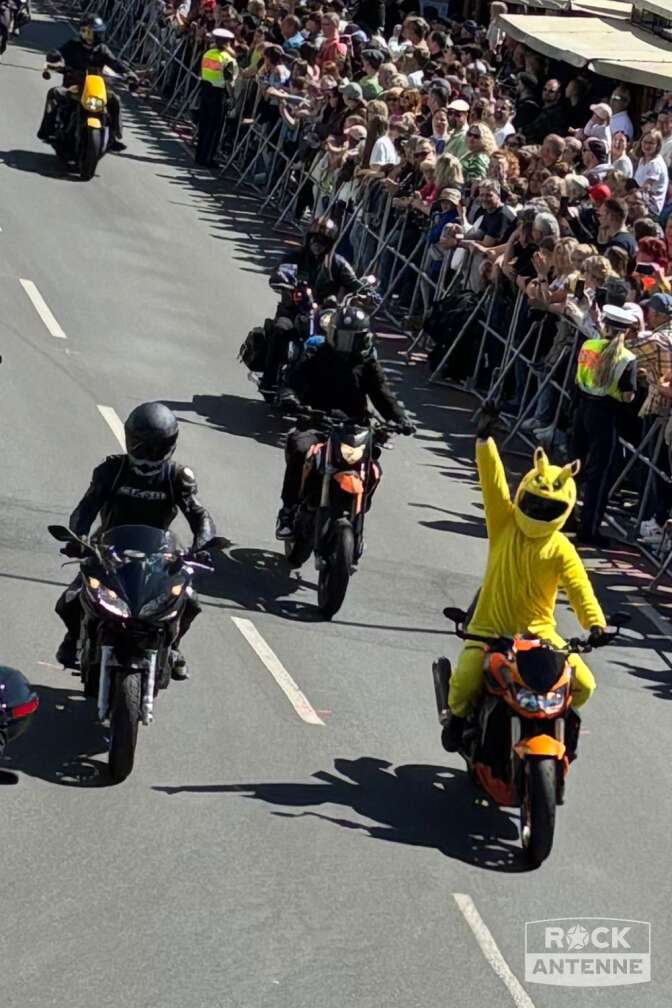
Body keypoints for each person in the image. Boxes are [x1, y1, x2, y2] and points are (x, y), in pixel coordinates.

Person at [442, 402, 607, 751]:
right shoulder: (504, 522)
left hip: (540, 637)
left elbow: (580, 589)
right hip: (489, 629)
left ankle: (560, 729)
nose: (539, 510)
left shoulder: (562, 547)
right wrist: (485, 442)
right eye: (535, 503)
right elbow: (493, 482)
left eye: (549, 508)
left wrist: (596, 625)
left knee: (586, 685)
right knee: (466, 679)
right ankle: (457, 723)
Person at [54, 403, 215, 679]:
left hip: (159, 558)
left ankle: (173, 646)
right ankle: (74, 637)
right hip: (108, 552)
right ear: (129, 441)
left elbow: (200, 516)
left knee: (191, 601)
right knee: (69, 600)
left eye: (156, 448)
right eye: (142, 447)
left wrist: (200, 547)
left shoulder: (177, 478)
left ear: (170, 446)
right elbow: (86, 508)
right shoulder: (112, 470)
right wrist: (78, 538)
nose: (148, 456)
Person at [275, 306, 415, 537]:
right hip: (317, 420)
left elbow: (382, 394)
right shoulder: (317, 354)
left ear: (363, 339)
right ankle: (288, 510)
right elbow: (294, 378)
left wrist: (400, 419)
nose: (345, 343)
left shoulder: (367, 363)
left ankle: (357, 512)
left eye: (351, 338)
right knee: (300, 449)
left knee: (372, 467)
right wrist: (289, 396)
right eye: (341, 336)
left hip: (355, 426)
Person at [261, 217, 361, 395]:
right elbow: (280, 272)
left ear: (330, 244)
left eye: (323, 241)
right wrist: (282, 279)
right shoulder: (295, 257)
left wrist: (367, 293)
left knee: (345, 342)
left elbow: (355, 284)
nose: (318, 244)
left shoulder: (337, 263)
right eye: (315, 239)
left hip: (324, 315)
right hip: (293, 310)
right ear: (308, 239)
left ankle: (342, 393)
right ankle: (268, 380)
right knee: (280, 330)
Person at [571, 304, 638, 545]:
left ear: (605, 325)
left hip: (582, 408)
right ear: (627, 332)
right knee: (598, 474)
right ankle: (589, 528)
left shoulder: (588, 346)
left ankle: (565, 513)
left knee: (575, 464)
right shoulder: (627, 358)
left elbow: (577, 377)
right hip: (606, 414)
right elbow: (628, 395)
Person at [37, 14, 134, 151]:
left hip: (95, 89)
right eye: (88, 32)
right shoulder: (72, 45)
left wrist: (129, 74)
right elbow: (59, 52)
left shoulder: (102, 49)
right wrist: (54, 56)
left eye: (94, 33)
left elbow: (115, 63)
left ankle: (114, 137)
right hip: (74, 88)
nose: (91, 36)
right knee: (54, 92)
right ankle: (47, 131)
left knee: (115, 99)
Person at [195, 28, 236, 167]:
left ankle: (199, 155)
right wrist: (232, 97)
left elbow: (201, 71)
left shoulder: (208, 53)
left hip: (205, 89)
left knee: (204, 124)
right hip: (218, 93)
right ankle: (208, 158)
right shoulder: (227, 58)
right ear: (227, 43)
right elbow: (229, 80)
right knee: (214, 128)